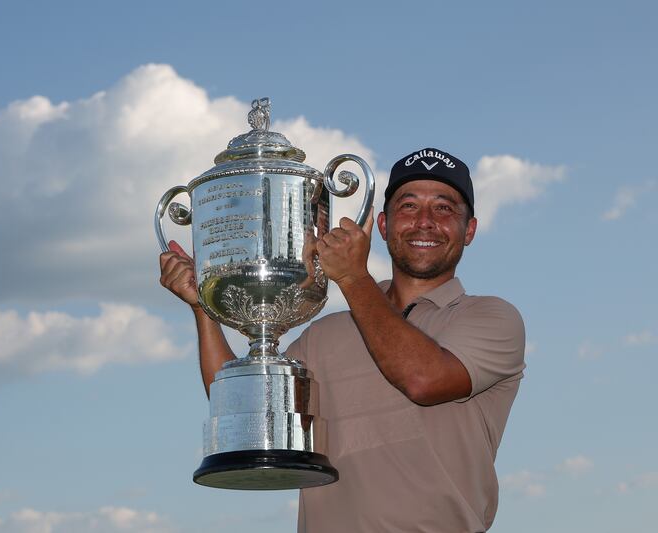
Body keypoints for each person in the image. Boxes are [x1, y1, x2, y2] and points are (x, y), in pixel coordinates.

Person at [159, 148, 526, 532]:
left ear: (468, 230)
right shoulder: (325, 335)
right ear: (383, 225)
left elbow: (423, 380)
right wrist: (203, 306)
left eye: (444, 208)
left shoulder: (491, 317)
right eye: (409, 206)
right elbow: (243, 408)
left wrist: (353, 279)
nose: (425, 222)